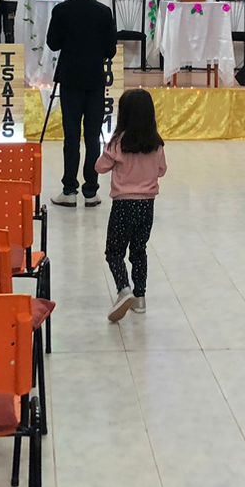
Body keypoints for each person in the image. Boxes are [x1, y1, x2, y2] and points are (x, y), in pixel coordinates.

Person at [46, 0, 118, 207]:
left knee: (71, 137)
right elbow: (110, 50)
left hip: (70, 79)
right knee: (92, 136)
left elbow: (53, 43)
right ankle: (91, 190)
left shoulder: (61, 10)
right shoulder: (103, 11)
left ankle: (69, 189)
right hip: (95, 79)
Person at [97, 88, 167, 322]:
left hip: (123, 205)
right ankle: (140, 297)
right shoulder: (156, 144)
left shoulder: (118, 143)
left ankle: (123, 288)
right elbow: (162, 170)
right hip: (147, 206)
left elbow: (100, 167)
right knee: (139, 250)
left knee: (114, 251)